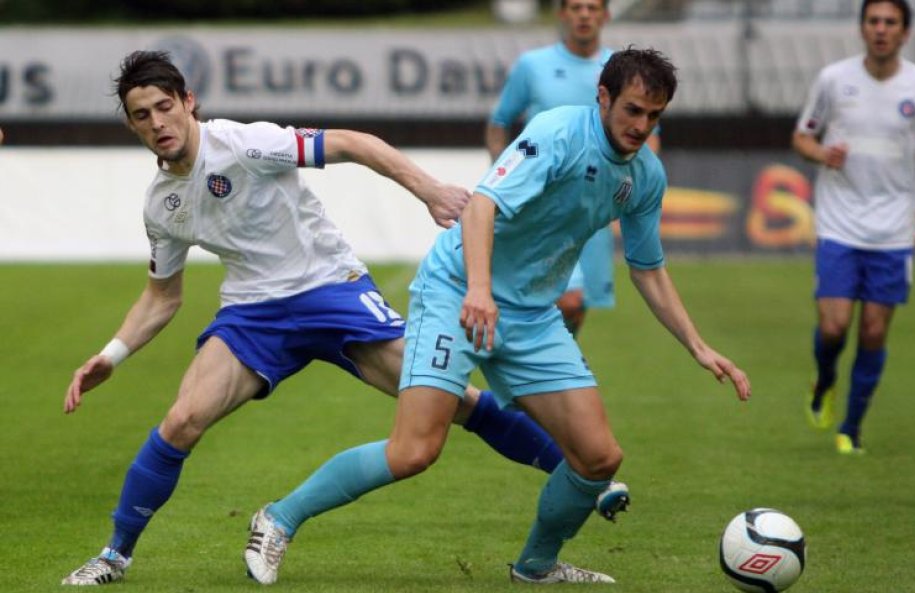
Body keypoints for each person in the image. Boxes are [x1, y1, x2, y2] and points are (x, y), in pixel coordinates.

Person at [60, 49, 575, 586]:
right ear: (130, 123)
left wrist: (429, 190)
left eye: (165, 107)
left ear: (189, 102)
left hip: (331, 291)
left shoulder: (244, 142)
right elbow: (162, 296)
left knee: (455, 403)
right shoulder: (162, 204)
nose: (157, 123)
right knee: (181, 421)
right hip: (253, 315)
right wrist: (111, 355)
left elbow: (353, 143)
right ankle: (115, 556)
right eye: (142, 115)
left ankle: (579, 476)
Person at [245, 48, 750, 586]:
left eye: (654, 116)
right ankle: (278, 518)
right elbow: (483, 205)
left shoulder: (645, 176)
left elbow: (648, 268)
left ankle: (535, 567)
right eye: (632, 111)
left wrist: (698, 345)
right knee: (414, 450)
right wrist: (480, 291)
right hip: (457, 291)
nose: (641, 126)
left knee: (598, 457)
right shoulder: (556, 133)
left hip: (531, 314)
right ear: (603, 98)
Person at [793, 0, 915, 454]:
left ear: (905, 32)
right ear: (862, 28)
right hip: (839, 221)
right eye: (874, 21)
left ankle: (851, 428)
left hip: (893, 229)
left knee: (872, 331)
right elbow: (802, 136)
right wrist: (819, 154)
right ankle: (825, 380)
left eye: (891, 22)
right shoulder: (834, 79)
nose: (881, 29)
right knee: (833, 328)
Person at [486, 0, 659, 338]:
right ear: (562, 14)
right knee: (567, 299)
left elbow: (648, 140)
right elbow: (499, 123)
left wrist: (631, 194)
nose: (584, 15)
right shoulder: (533, 66)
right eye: (576, 7)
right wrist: (505, 178)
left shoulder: (622, 73)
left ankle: (549, 375)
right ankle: (538, 373)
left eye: (593, 8)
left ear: (605, 16)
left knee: (577, 307)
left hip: (592, 206)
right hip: (542, 205)